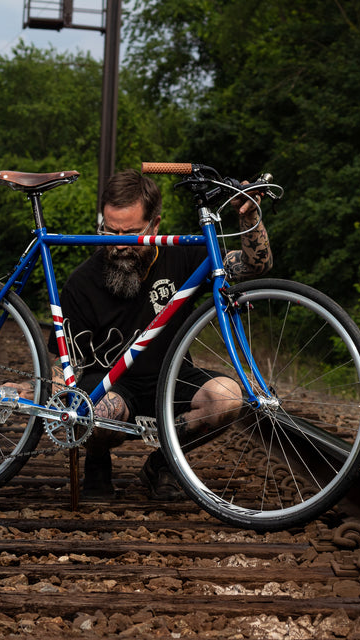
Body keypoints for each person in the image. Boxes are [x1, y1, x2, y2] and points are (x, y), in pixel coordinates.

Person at [50, 169, 273, 499]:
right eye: (110, 232)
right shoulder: (82, 283)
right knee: (94, 411)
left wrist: (249, 214)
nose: (119, 245)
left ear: (155, 226)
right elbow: (63, 365)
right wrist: (58, 408)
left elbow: (255, 266)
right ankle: (97, 461)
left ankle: (164, 463)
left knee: (227, 397)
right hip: (113, 387)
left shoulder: (183, 255)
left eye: (130, 233)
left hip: (173, 378)